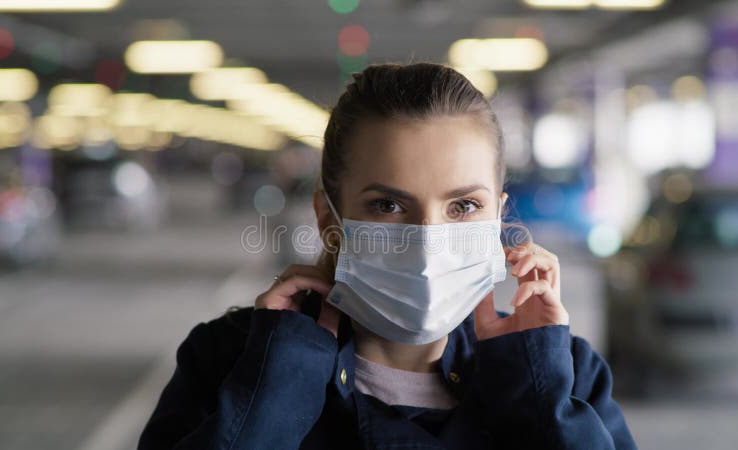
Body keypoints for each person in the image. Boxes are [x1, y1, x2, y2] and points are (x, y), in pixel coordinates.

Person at [138, 62, 637, 449]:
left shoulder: (564, 374)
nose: (427, 238)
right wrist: (276, 386)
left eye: (463, 205)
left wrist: (536, 399)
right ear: (329, 217)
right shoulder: (229, 360)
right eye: (388, 205)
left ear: (499, 215)